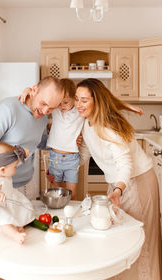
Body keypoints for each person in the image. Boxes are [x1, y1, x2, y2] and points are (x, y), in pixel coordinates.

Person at [75, 78, 161, 280]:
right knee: (121, 235)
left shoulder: (109, 127)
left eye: (84, 100)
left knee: (141, 238)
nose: (78, 105)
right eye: (77, 99)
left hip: (137, 181)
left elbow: (125, 164)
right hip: (118, 184)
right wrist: (65, 161)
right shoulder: (87, 123)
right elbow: (84, 155)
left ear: (97, 102)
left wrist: (118, 189)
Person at [0, 76, 64, 215]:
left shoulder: (42, 118)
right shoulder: (7, 110)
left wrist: (66, 142)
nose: (45, 112)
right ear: (34, 90)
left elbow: (41, 142)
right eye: (43, 103)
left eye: (51, 109)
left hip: (28, 184)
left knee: (28, 232)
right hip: (0, 188)